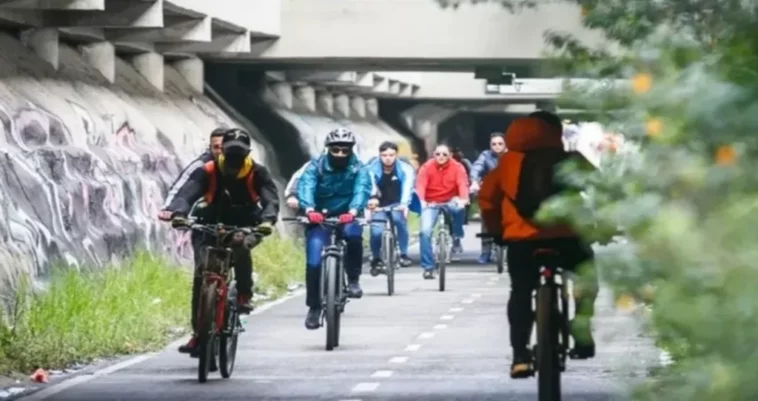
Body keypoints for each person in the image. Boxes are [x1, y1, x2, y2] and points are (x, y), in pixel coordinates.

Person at [478, 114, 598, 379]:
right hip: (567, 239)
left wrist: (498, 232)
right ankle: (581, 331)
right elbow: (601, 189)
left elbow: (487, 201)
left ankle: (520, 356)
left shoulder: (505, 166)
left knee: (520, 291)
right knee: (586, 276)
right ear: (556, 133)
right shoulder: (573, 160)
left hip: (522, 242)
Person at [159, 128, 280, 355]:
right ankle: (199, 333)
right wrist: (179, 214)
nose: (234, 159)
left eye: (239, 153)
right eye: (230, 152)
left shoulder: (257, 172)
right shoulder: (208, 170)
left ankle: (244, 293)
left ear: (248, 153)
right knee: (201, 274)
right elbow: (187, 194)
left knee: (241, 245)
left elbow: (270, 200)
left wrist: (267, 221)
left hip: (247, 223)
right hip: (209, 223)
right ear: (221, 151)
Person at [296, 128, 373, 329]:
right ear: (328, 149)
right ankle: (314, 307)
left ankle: (354, 279)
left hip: (348, 215)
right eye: (336, 149)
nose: (340, 154)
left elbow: (362, 189)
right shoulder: (316, 166)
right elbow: (306, 185)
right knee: (313, 262)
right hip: (319, 217)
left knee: (354, 236)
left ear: (351, 150)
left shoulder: (359, 169)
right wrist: (309, 208)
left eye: (344, 150)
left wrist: (354, 211)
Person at [414, 144, 469, 279]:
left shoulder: (458, 167)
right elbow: (420, 185)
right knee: (424, 232)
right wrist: (421, 201)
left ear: (450, 155)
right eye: (438, 154)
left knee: (458, 209)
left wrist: (463, 199)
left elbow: (462, 184)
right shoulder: (426, 167)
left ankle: (457, 233)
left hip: (451, 199)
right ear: (434, 155)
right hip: (431, 202)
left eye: (445, 154)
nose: (441, 157)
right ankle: (428, 267)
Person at [158, 127, 227, 220]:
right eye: (216, 147)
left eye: (223, 147)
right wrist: (170, 209)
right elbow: (182, 188)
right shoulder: (201, 165)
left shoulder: (247, 165)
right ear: (210, 148)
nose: (219, 151)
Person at [366, 141, 415, 269]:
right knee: (376, 232)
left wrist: (404, 204)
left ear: (396, 155)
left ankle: (403, 254)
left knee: (400, 222)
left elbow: (407, 187)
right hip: (378, 203)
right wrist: (372, 201)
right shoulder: (371, 168)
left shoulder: (405, 168)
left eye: (391, 155)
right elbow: (369, 185)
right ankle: (376, 257)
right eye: (384, 155)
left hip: (397, 202)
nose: (388, 158)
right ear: (379, 155)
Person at [469, 132, 507, 264]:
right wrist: (474, 181)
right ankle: (486, 251)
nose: (497, 146)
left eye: (500, 143)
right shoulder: (485, 155)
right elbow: (477, 167)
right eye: (494, 144)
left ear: (505, 144)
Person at [451, 147, 473, 224]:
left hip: (465, 183)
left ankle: (465, 217)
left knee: (466, 201)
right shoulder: (449, 163)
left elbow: (471, 172)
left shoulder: (465, 162)